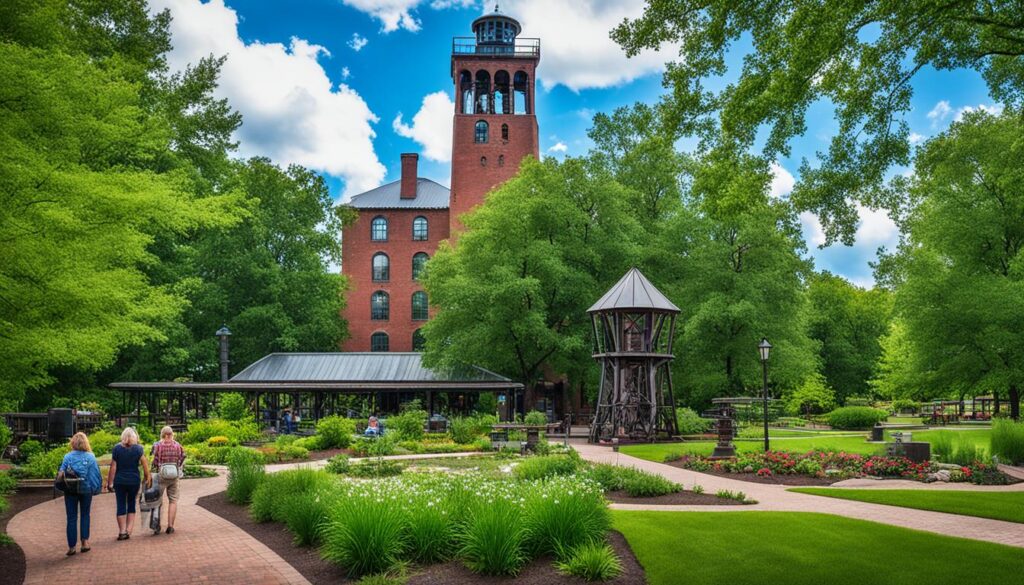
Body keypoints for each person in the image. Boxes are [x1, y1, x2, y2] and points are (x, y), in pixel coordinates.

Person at [57, 432, 102, 556]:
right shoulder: (91, 457)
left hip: (70, 490)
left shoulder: (67, 457)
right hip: (86, 489)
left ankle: (72, 547)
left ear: (73, 443)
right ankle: (85, 543)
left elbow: (61, 474)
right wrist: (95, 488)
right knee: (85, 515)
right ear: (85, 443)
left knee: (71, 517)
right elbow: (94, 475)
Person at [106, 427, 152, 541]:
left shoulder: (116, 449)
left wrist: (110, 483)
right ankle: (129, 530)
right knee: (131, 503)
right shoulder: (138, 449)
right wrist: (148, 478)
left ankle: (121, 532)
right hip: (134, 481)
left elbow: (113, 466)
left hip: (120, 481)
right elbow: (145, 464)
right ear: (134, 437)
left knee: (120, 504)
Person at [150, 426, 185, 534]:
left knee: (157, 500)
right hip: (174, 476)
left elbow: (154, 462)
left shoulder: (157, 445)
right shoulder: (178, 445)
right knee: (173, 500)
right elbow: (183, 457)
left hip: (161, 475)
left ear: (163, 434)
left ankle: (156, 527)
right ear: (171, 434)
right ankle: (170, 526)